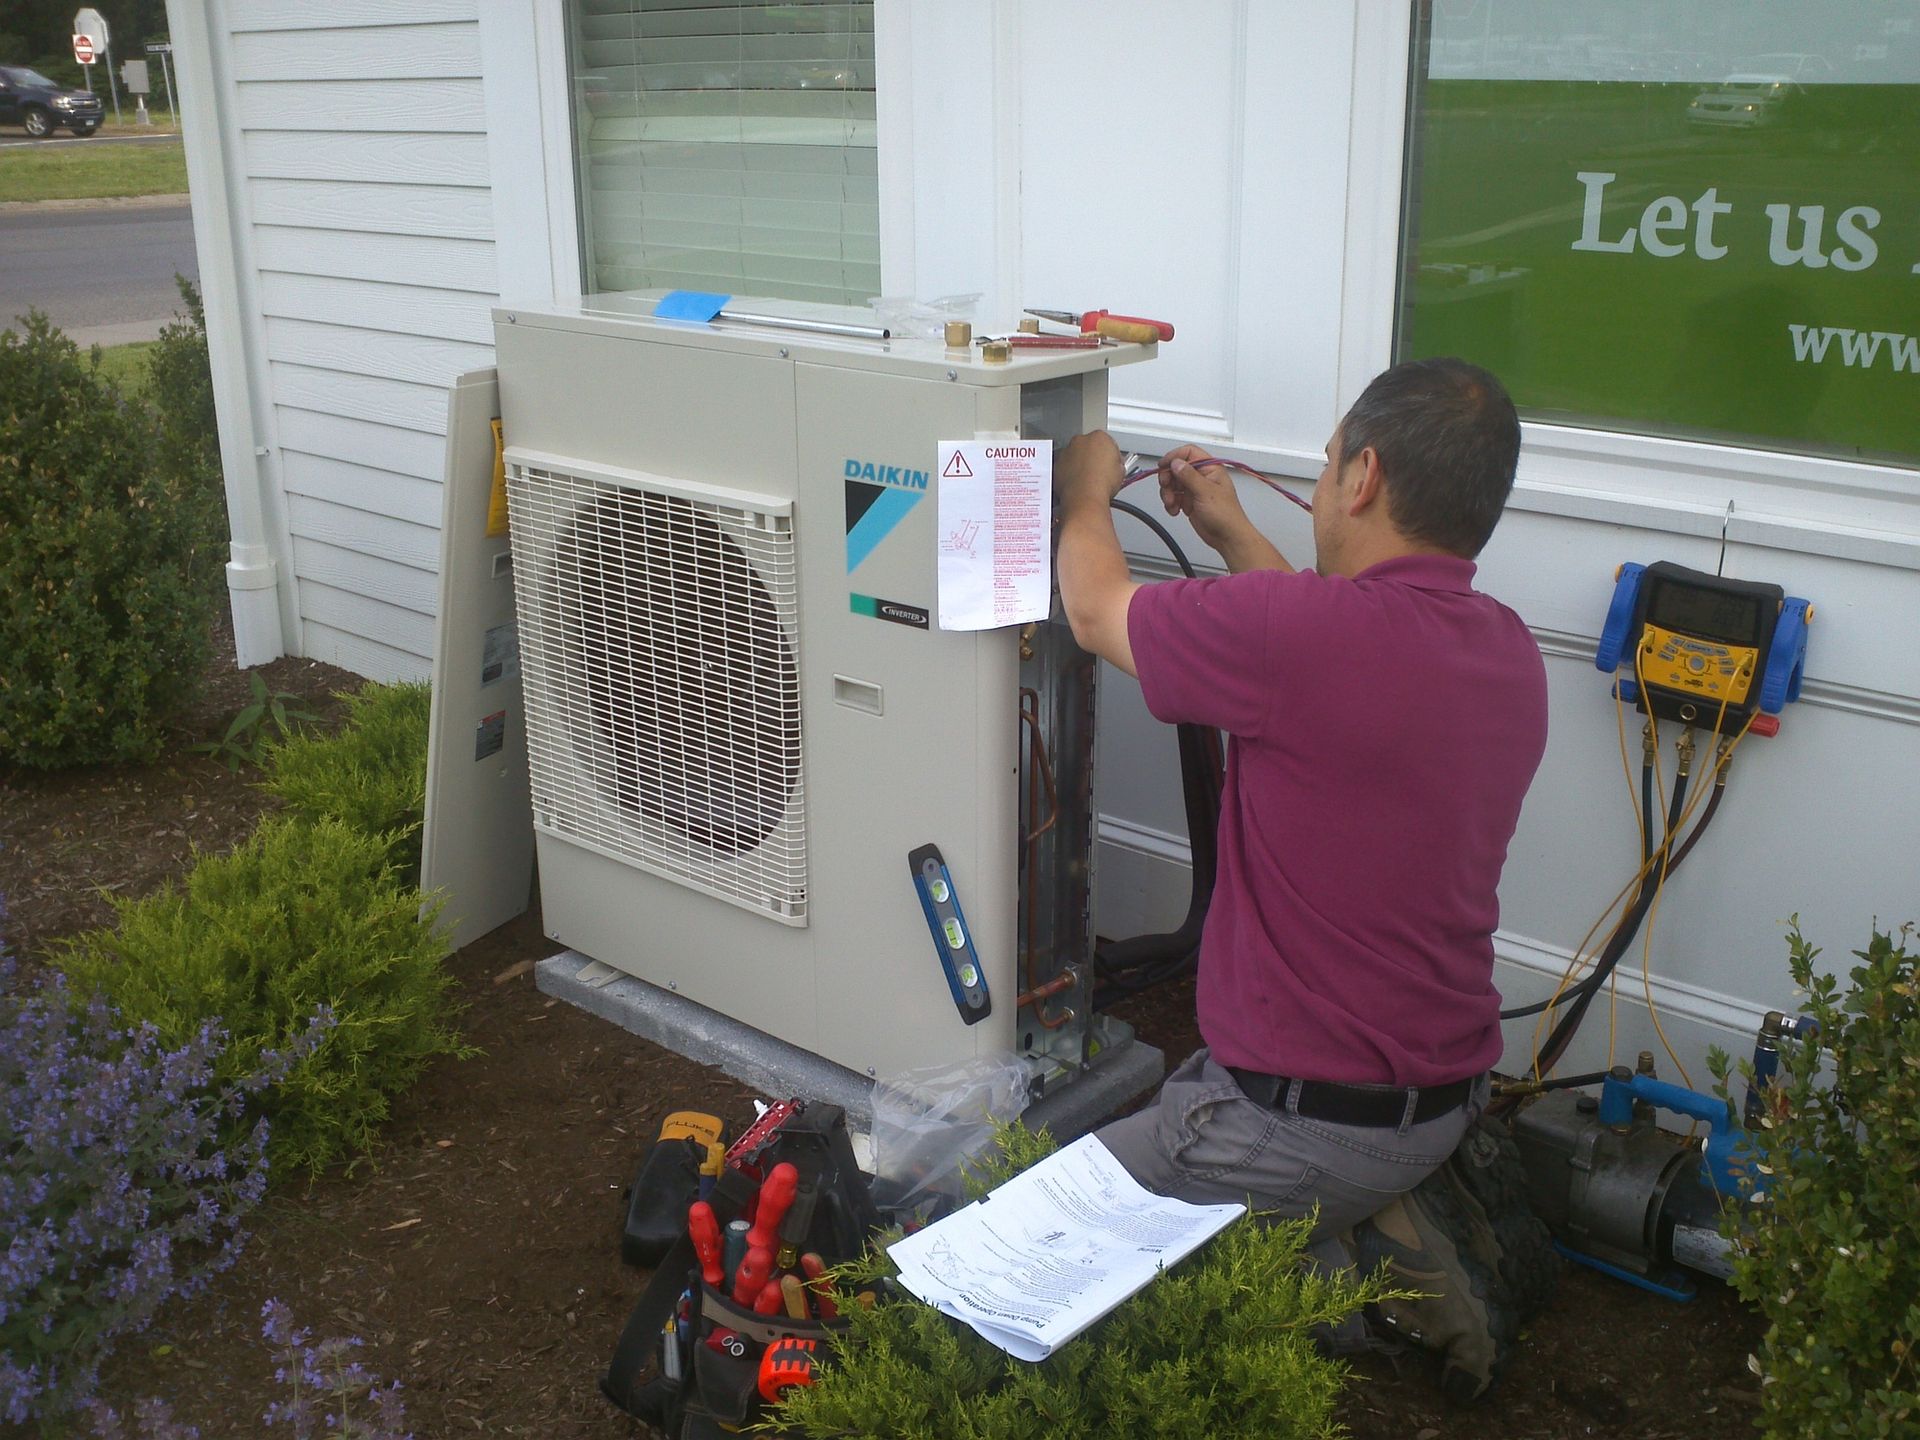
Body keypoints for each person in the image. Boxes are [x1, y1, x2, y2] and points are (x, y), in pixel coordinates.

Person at [1054, 357, 1549, 1402]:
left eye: (1325, 466)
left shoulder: (1299, 639)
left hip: (1295, 1126)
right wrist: (1231, 527)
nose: (1319, 486)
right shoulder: (1505, 650)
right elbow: (1321, 646)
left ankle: (1348, 1274)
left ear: (1363, 478)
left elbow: (1096, 610)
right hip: (1441, 1096)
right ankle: (1370, 1230)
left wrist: (1084, 492)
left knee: (1038, 1236)